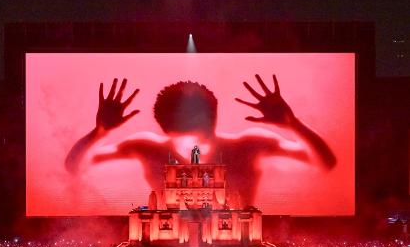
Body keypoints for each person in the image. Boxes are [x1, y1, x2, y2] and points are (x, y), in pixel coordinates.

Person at [65, 75, 336, 206]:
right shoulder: (146, 148)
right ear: (166, 130)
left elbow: (325, 163)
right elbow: (75, 168)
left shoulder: (249, 145)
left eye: (197, 139)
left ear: (214, 119)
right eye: (183, 142)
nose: (193, 157)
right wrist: (98, 133)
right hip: (168, 245)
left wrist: (293, 125)